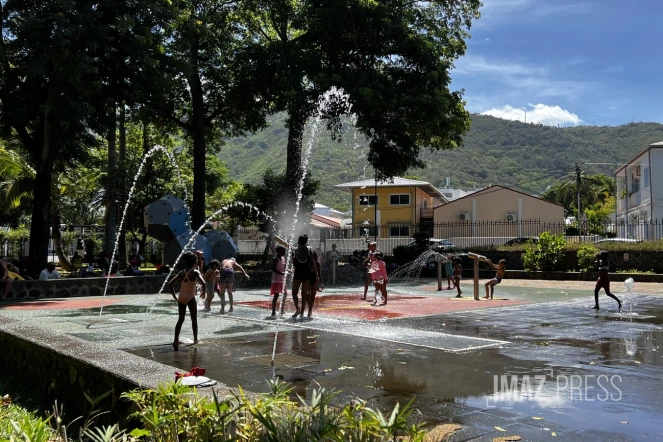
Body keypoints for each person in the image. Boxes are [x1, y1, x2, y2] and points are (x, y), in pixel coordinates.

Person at [169, 251, 206, 351]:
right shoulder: (195, 272)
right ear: (195, 262)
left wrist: (174, 296)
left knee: (180, 319)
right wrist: (203, 293)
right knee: (194, 319)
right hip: (190, 297)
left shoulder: (182, 272)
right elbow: (203, 283)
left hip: (181, 297)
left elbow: (170, 284)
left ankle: (175, 340)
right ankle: (195, 340)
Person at [290, 234, 318, 318]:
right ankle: (303, 313)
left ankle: (297, 310)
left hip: (298, 273)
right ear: (306, 241)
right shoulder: (309, 250)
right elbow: (313, 263)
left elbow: (294, 263)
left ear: (298, 241)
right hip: (307, 274)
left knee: (294, 293)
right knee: (304, 293)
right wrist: (316, 274)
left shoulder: (295, 250)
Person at [304, 246, 323, 319]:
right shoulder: (316, 262)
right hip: (314, 279)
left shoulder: (306, 261)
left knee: (307, 296)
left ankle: (309, 310)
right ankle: (309, 311)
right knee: (312, 296)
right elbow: (319, 272)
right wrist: (320, 281)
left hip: (307, 279)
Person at [270, 246, 287, 316]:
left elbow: (284, 268)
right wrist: (282, 273)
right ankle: (273, 311)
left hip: (282, 279)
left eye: (284, 251)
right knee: (276, 295)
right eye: (283, 251)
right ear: (278, 252)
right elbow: (273, 269)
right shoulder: (275, 259)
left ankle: (282, 309)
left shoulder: (283, 258)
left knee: (285, 294)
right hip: (276, 279)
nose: (284, 253)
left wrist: (288, 271)